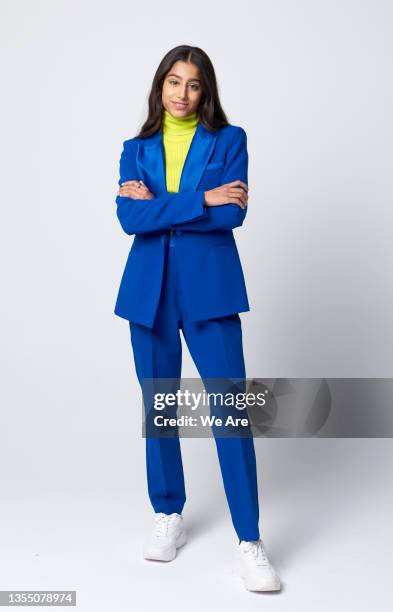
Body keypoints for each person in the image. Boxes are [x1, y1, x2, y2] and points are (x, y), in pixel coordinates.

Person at [114, 44, 281, 592]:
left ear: (206, 92)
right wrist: (198, 199)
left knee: (230, 410)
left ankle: (249, 540)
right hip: (149, 292)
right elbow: (129, 219)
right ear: (158, 86)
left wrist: (162, 204)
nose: (182, 94)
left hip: (209, 290)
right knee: (160, 406)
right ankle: (169, 513)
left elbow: (233, 212)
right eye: (173, 82)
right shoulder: (134, 149)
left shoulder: (230, 140)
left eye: (193, 85)